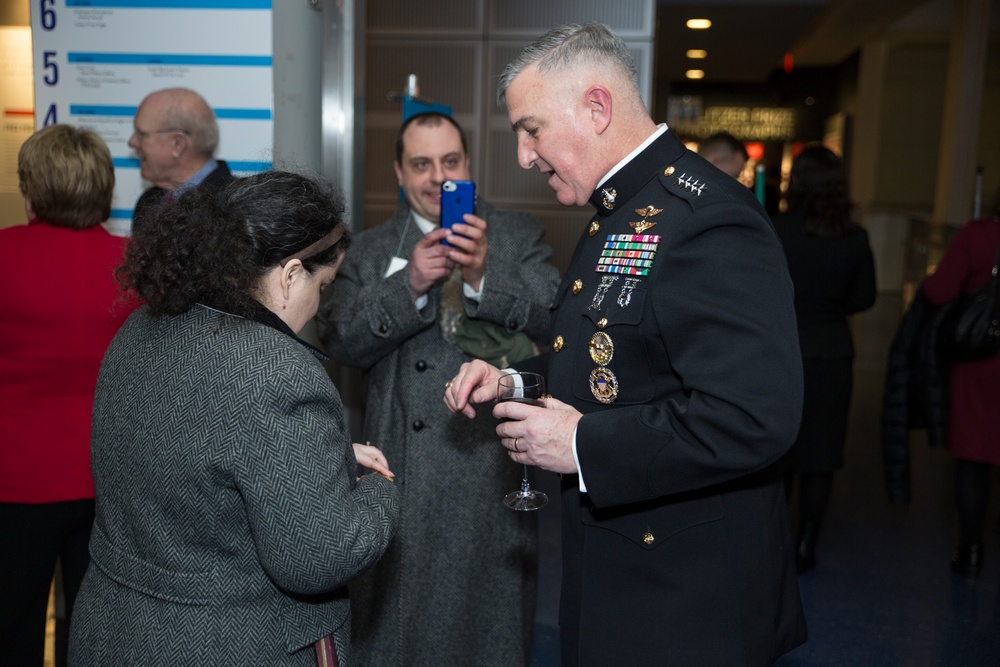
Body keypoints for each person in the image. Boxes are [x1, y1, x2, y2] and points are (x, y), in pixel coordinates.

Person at [445, 23, 807, 665]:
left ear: (597, 107)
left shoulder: (706, 220)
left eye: (531, 130)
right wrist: (516, 380)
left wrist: (579, 444)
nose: (525, 156)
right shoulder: (622, 208)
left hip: (689, 601)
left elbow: (754, 417)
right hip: (624, 572)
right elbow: (612, 357)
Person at [67, 171, 400, 665]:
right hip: (227, 641)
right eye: (323, 285)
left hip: (114, 629)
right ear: (290, 275)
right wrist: (379, 488)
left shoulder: (143, 326)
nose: (318, 304)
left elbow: (189, 456)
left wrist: (320, 459)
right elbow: (319, 558)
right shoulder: (277, 371)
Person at [316, 111, 560, 665]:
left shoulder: (516, 235)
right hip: (400, 469)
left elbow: (556, 320)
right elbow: (339, 341)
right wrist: (411, 284)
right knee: (400, 629)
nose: (435, 177)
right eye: (421, 164)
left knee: (486, 627)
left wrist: (481, 276)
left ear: (468, 166)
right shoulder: (374, 250)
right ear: (399, 173)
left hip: (492, 469)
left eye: (449, 162)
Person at [0, 124, 136, 667]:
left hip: (13, 481)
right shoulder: (136, 267)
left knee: (11, 632)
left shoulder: (4, 254)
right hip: (109, 481)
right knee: (97, 636)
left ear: (32, 189)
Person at [772, 145, 877, 573]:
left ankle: (776, 544)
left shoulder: (777, 229)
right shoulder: (854, 237)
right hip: (832, 353)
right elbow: (865, 298)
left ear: (796, 182)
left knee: (780, 450)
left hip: (781, 352)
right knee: (823, 454)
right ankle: (806, 547)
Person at [922, 184, 1000, 578]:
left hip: (982, 363)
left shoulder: (981, 234)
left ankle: (970, 552)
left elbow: (939, 290)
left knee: (974, 461)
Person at [128, 87, 233, 231]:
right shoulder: (148, 202)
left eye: (141, 134)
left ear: (177, 144)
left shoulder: (231, 208)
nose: (132, 142)